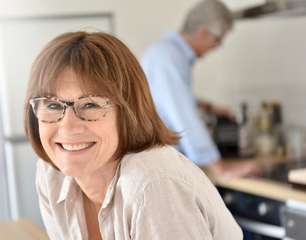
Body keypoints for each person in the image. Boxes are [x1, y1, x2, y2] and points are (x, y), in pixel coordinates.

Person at [24, 31, 243, 239]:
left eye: (90, 104)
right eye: (52, 105)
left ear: (128, 112)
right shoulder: (51, 173)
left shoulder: (153, 185)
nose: (68, 127)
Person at [140, 0, 262, 180]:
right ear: (205, 33)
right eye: (217, 42)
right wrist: (221, 169)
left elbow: (170, 97)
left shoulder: (164, 52)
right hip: (161, 169)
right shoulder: (169, 58)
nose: (214, 48)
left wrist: (209, 106)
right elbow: (183, 116)